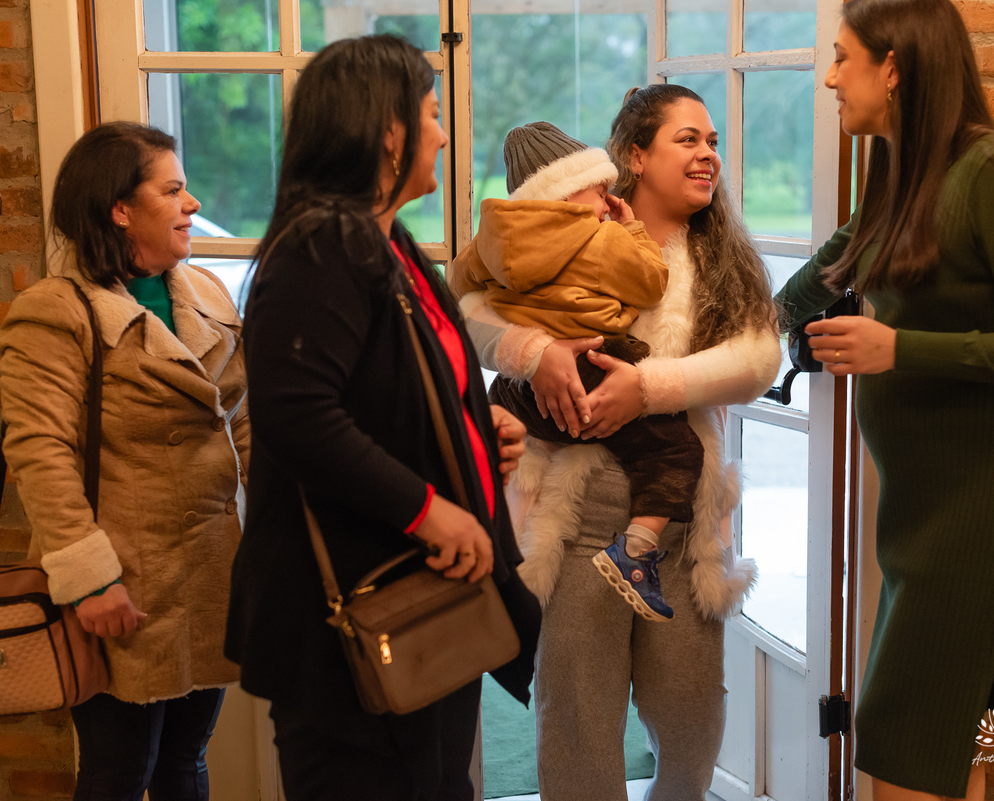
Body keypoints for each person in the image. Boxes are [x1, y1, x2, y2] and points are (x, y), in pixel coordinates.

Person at [775, 1, 994, 798]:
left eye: (842, 57)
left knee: (910, 743)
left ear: (894, 67)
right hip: (930, 503)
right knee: (958, 735)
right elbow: (800, 293)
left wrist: (898, 348)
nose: (828, 76)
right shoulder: (904, 181)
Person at [222, 34, 541, 801]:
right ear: (387, 131)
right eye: (431, 113)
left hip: (423, 604)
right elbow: (299, 417)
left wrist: (471, 435)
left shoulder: (385, 239)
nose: (441, 132)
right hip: (354, 619)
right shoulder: (321, 247)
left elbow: (402, 390)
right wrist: (432, 508)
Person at [458, 84, 780, 799]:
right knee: (577, 726)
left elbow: (758, 362)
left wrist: (649, 387)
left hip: (679, 527)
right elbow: (468, 309)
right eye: (687, 139)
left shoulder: (720, 259)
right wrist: (535, 352)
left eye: (713, 141)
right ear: (635, 154)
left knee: (692, 725)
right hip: (572, 524)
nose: (707, 155)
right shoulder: (566, 233)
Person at [0, 121, 249, 800]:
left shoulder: (208, 294)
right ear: (120, 208)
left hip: (207, 573)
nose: (193, 204)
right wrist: (89, 581)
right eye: (173, 189)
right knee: (117, 772)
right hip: (123, 587)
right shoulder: (55, 311)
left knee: (186, 758)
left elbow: (246, 424)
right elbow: (39, 453)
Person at [450, 120, 705, 622]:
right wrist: (628, 226)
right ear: (571, 192)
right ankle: (636, 552)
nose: (608, 196)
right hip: (592, 370)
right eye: (599, 187)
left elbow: (460, 282)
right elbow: (650, 283)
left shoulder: (491, 241)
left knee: (492, 442)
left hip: (526, 392)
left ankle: (493, 551)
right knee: (677, 449)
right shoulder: (597, 238)